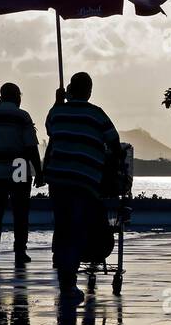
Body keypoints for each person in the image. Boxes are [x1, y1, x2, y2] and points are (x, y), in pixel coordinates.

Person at [44, 72, 119, 303]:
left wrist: (59, 100)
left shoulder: (57, 112)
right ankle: (69, 283)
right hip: (84, 181)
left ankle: (65, 275)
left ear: (69, 89)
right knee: (75, 230)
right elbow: (114, 143)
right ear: (88, 91)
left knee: (64, 226)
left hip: (58, 181)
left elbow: (50, 128)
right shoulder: (97, 115)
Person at [0, 83, 43, 267]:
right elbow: (31, 146)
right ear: (16, 96)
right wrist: (38, 171)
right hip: (20, 165)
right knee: (21, 211)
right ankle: (20, 251)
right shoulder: (22, 116)